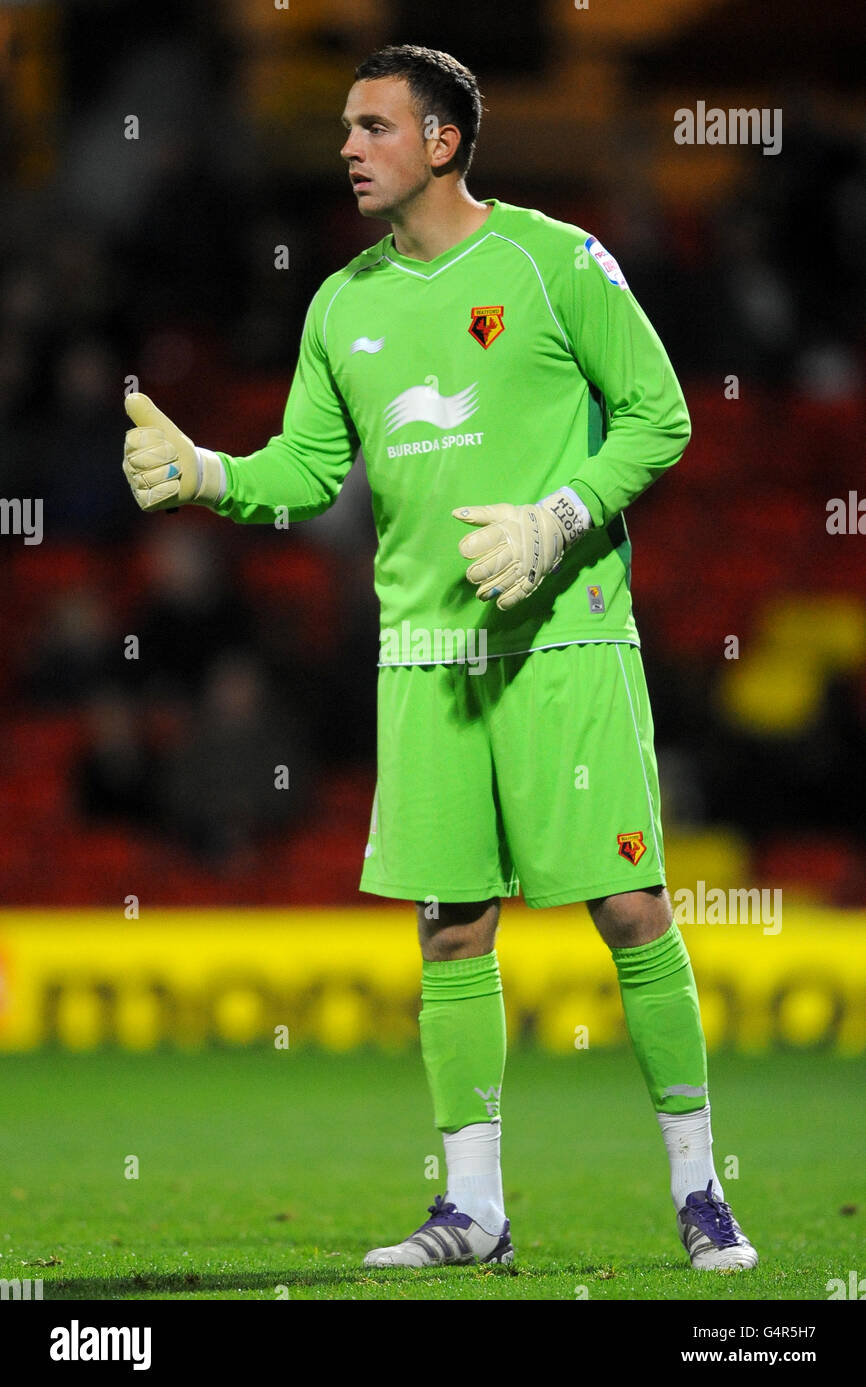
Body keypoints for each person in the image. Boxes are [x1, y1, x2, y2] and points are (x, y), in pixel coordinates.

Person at [121, 43, 757, 1273]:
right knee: (452, 931)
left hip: (565, 639)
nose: (348, 147)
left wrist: (556, 518)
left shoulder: (555, 261)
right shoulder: (341, 304)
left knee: (628, 907)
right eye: (346, 128)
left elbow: (660, 416)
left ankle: (697, 1188)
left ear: (443, 141)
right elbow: (305, 473)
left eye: (372, 126)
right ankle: (474, 1210)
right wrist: (203, 473)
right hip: (421, 658)